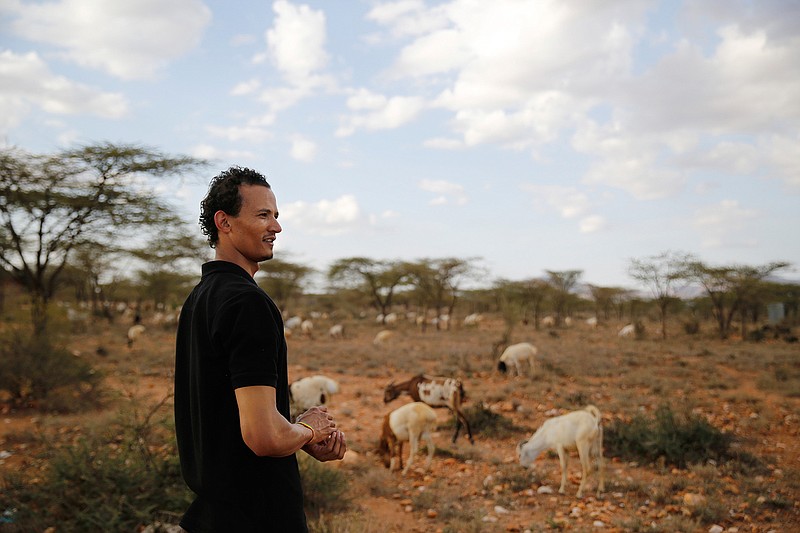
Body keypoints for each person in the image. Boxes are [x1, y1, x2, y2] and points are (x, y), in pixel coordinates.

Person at [174, 166, 346, 532]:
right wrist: (308, 429)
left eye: (277, 216)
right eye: (263, 215)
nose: (276, 227)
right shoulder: (246, 303)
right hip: (257, 518)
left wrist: (295, 439)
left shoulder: (201, 297)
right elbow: (263, 436)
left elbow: (231, 417)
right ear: (225, 222)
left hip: (213, 515)